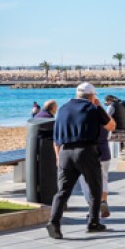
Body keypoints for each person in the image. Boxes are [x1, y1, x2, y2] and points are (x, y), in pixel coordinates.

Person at [48, 84, 112, 239]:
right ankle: (93, 222)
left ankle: (54, 222)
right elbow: (111, 125)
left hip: (65, 152)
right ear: (92, 96)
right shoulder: (93, 108)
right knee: (95, 188)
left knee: (63, 191)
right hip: (86, 151)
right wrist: (98, 106)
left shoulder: (62, 109)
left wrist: (58, 156)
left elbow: (56, 139)